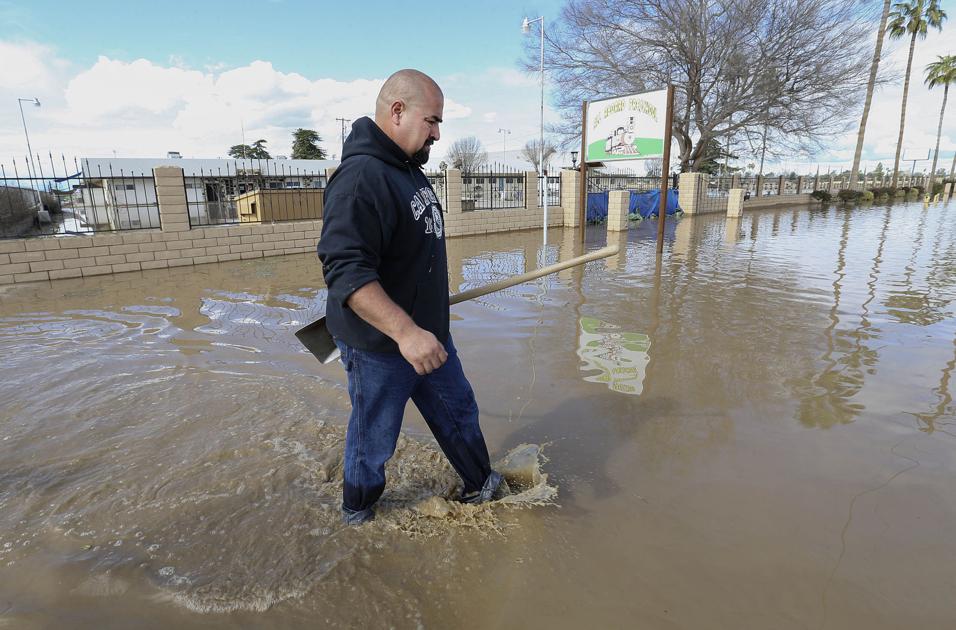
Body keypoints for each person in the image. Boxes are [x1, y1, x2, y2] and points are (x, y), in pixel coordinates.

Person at [317, 69, 505, 525]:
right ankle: (357, 515)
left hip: (429, 337)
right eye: (432, 121)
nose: (437, 134)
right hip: (381, 346)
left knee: (459, 413)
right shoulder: (360, 179)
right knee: (374, 440)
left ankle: (482, 487)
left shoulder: (409, 172)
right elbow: (345, 271)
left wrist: (426, 317)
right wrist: (405, 332)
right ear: (398, 111)